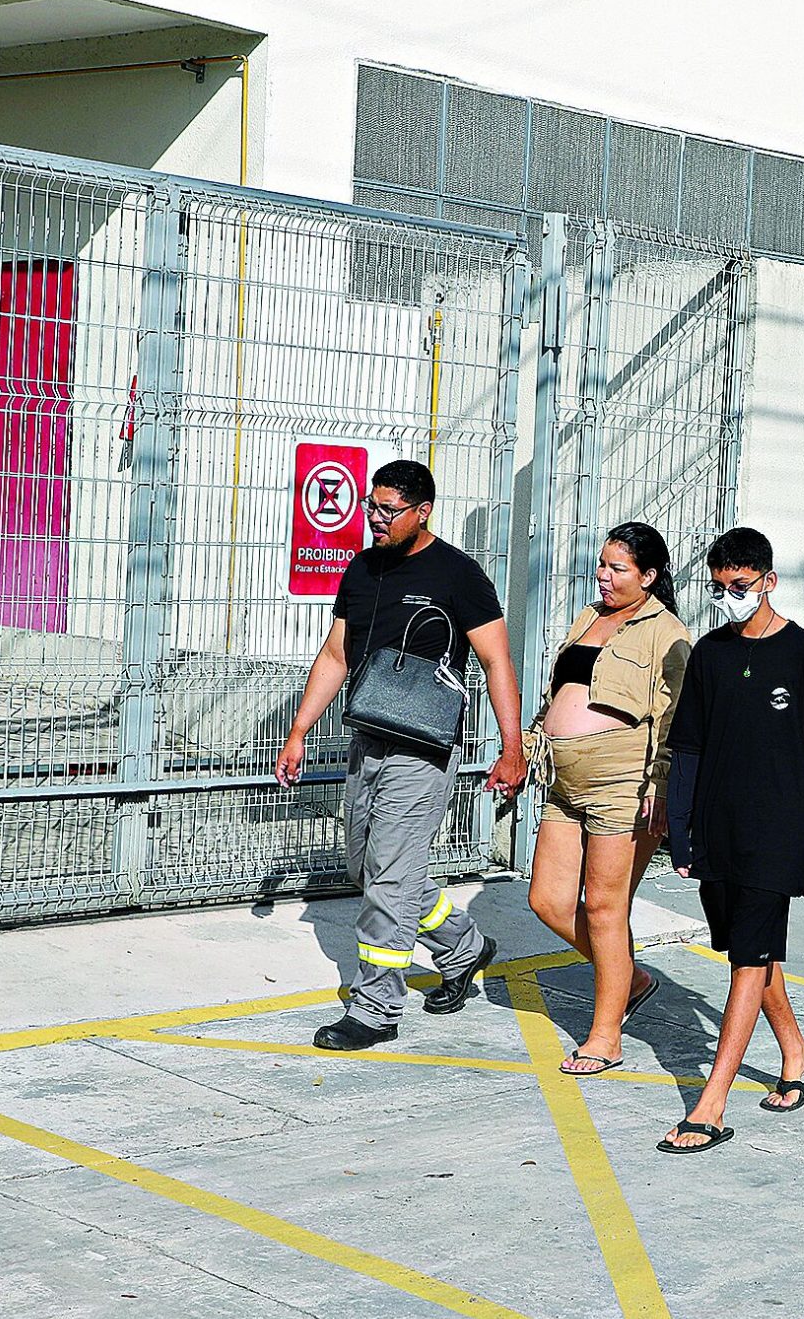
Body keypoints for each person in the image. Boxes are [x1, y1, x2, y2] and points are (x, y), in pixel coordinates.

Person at [273, 459, 528, 1051]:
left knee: (389, 878)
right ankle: (464, 949)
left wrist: (511, 748)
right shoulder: (361, 569)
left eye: (389, 511)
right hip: (367, 739)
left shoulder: (459, 576)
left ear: (423, 511)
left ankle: (375, 1008)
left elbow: (496, 662)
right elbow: (336, 654)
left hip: (423, 749)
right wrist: (298, 730)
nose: (376, 520)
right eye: (372, 507)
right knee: (367, 868)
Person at [658, 527, 804, 1155]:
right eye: (719, 589)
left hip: (778, 832)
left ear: (768, 581)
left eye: (740, 587)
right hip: (717, 831)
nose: (729, 599)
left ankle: (710, 1104)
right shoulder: (711, 654)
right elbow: (687, 748)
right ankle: (795, 1054)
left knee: (748, 959)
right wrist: (680, 830)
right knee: (751, 948)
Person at [526, 523, 694, 1076]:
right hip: (563, 780)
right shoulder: (590, 617)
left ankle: (606, 1035)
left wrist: (663, 787)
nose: (603, 576)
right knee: (547, 901)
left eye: (618, 568)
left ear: (648, 577)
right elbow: (562, 692)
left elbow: (675, 718)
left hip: (624, 782)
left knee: (604, 906)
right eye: (602, 564)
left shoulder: (667, 634)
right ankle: (634, 979)